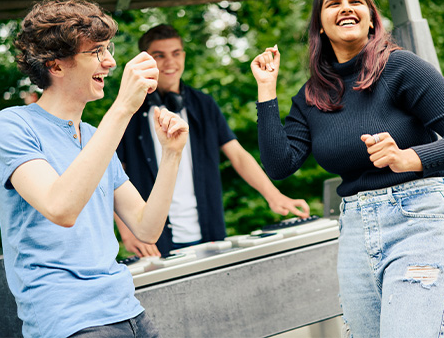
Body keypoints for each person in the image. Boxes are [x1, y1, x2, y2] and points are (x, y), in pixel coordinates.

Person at [251, 0, 444, 338]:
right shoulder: (311, 96)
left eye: (355, 1)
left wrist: (410, 158)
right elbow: (280, 165)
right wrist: (266, 92)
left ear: (372, 17)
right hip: (356, 231)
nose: (346, 8)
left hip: (419, 222)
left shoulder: (402, 68)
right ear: (319, 26)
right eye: (334, 3)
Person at [0, 0, 189, 338]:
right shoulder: (12, 126)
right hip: (71, 322)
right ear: (56, 65)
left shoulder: (94, 137)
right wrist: (123, 107)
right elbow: (61, 208)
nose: (109, 62)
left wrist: (172, 155)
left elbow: (146, 228)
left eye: (108, 49)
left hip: (130, 312)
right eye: (96, 51)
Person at [116, 24, 310, 258]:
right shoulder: (128, 112)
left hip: (209, 234)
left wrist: (274, 195)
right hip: (155, 243)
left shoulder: (204, 105)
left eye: (176, 53)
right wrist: (126, 230)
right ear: (146, 60)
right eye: (160, 55)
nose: (170, 62)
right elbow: (112, 176)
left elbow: (238, 155)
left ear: (184, 56)